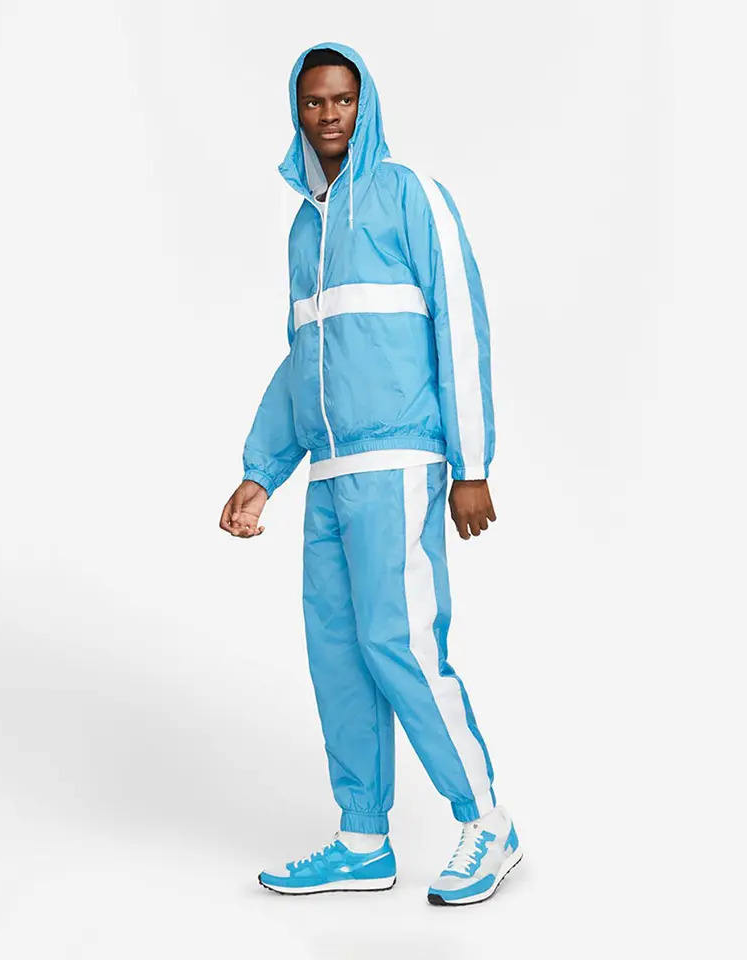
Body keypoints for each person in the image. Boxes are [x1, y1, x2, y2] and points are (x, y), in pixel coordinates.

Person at [219, 41, 521, 907]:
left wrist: (471, 464)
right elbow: (304, 359)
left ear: (365, 103)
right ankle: (362, 839)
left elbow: (461, 322)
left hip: (400, 463)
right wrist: (262, 471)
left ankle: (487, 822)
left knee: (403, 645)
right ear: (297, 111)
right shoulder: (304, 228)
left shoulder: (409, 193)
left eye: (342, 99)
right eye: (313, 102)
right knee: (340, 655)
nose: (329, 115)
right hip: (328, 474)